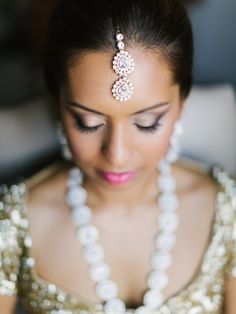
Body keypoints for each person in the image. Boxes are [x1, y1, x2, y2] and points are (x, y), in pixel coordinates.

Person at [0, 0, 235, 313]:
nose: (117, 154)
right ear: (57, 102)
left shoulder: (227, 212)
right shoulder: (13, 225)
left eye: (147, 122)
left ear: (181, 101)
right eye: (88, 123)